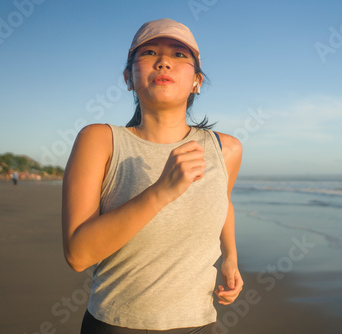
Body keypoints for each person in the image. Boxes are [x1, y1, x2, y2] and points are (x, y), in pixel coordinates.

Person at [61, 18, 243, 333]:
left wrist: (231, 257)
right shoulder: (100, 140)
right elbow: (78, 255)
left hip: (199, 323)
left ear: (197, 81)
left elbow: (223, 201)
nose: (163, 62)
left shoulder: (225, 149)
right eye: (148, 53)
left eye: (179, 55)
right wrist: (161, 191)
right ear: (128, 78)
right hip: (116, 323)